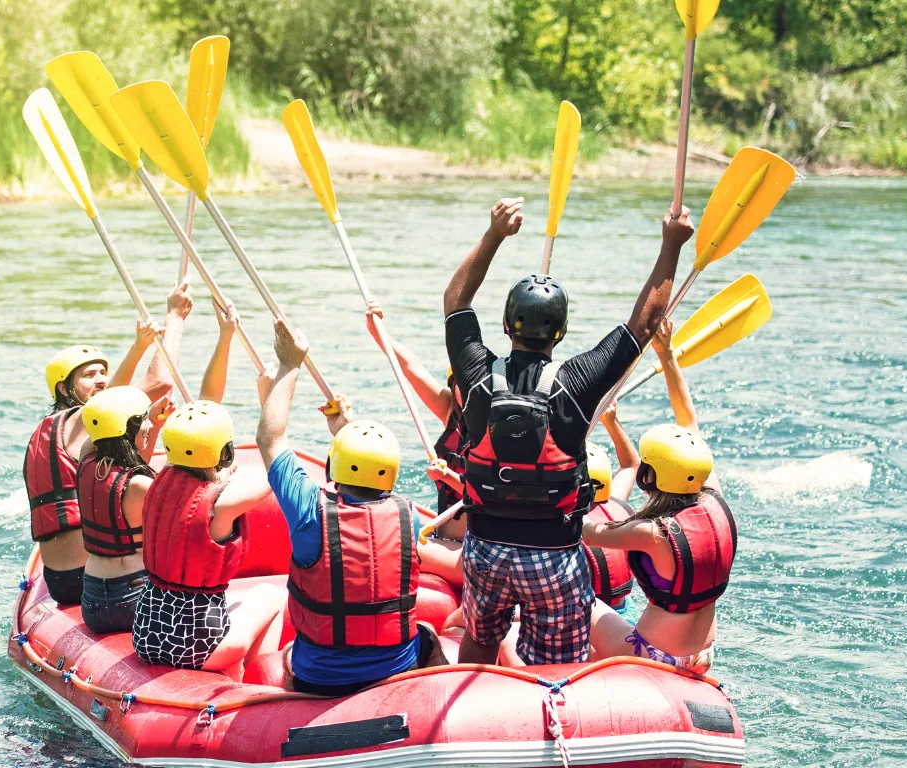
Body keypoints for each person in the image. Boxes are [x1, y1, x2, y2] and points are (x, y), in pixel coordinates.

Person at [443, 196, 694, 666]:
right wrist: (671, 245)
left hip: (486, 549)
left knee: (479, 638)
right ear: (561, 332)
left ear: (505, 325)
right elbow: (643, 325)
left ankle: (477, 677)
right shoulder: (578, 381)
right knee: (557, 665)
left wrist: (494, 234)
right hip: (554, 556)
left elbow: (456, 302)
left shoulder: (476, 374)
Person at [257, 320, 452, 695]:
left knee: (289, 654)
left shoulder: (309, 511)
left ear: (334, 464)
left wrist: (289, 364)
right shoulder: (408, 516)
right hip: (397, 667)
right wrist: (348, 430)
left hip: (319, 677)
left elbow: (270, 439)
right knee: (427, 633)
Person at [583, 319, 736, 674]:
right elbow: (689, 424)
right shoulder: (714, 498)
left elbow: (586, 532)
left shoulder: (651, 532)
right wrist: (667, 355)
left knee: (581, 600)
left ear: (648, 477)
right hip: (703, 656)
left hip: (654, 655)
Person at [26, 285, 193, 606]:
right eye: (89, 375)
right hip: (91, 576)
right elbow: (160, 382)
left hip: (59, 580)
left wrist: (154, 424)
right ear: (64, 388)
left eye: (103, 372)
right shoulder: (78, 421)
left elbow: (125, 473)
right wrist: (175, 317)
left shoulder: (60, 433)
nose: (101, 379)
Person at [76, 309, 241, 633]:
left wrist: (147, 417)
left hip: (92, 599)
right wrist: (223, 479)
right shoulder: (142, 486)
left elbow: (108, 422)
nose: (150, 426)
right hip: (132, 599)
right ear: (131, 430)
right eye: (144, 422)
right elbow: (196, 496)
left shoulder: (87, 458)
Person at [132, 399, 285, 676]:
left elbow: (196, 489)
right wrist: (267, 398)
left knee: (234, 618)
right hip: (197, 647)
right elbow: (276, 470)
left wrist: (222, 472)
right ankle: (259, 682)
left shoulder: (156, 484)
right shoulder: (222, 505)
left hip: (147, 636)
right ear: (225, 452)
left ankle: (233, 673)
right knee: (271, 595)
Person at [363, 300, 468, 540]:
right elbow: (411, 366)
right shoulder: (451, 409)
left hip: (475, 547)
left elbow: (487, 494)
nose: (468, 393)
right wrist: (377, 331)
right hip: (443, 538)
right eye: (462, 385)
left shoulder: (497, 425)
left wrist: (447, 476)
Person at [581, 438, 637, 612]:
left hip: (589, 618)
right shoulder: (616, 504)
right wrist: (612, 425)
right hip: (625, 612)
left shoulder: (560, 525)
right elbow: (630, 465)